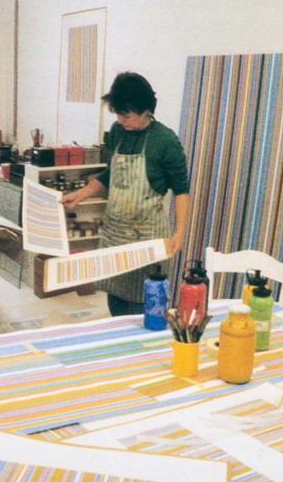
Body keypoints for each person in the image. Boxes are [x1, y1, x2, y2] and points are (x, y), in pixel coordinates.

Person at [60, 72, 190, 316]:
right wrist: (80, 195)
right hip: (115, 236)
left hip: (146, 238)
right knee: (116, 304)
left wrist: (180, 233)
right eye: (118, 114)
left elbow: (182, 191)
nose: (121, 120)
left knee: (145, 308)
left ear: (145, 111)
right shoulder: (118, 132)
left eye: (126, 115)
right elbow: (111, 176)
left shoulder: (165, 141)